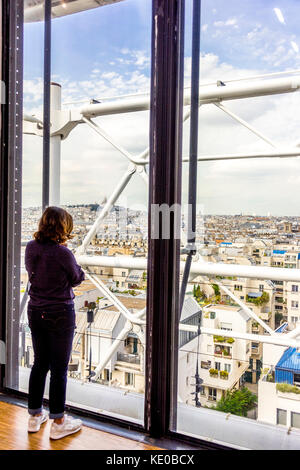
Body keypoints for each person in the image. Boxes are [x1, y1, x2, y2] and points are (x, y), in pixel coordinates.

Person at [25, 206, 85, 440]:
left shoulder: (31, 247)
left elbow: (34, 272)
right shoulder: (63, 253)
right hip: (60, 311)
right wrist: (68, 256)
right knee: (59, 368)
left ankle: (34, 415)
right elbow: (77, 278)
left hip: (35, 309)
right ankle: (58, 421)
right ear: (63, 227)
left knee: (39, 364)